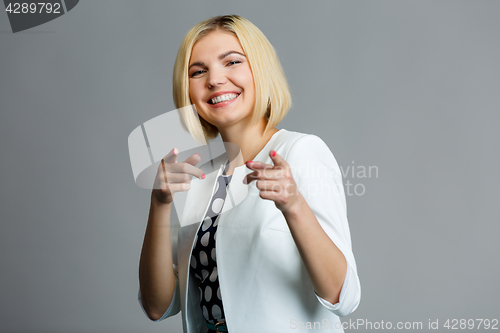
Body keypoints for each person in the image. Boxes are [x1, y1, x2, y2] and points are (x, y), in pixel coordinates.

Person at [138, 15, 361, 333]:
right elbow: (157, 306)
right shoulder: (198, 181)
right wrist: (159, 205)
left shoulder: (300, 152)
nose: (214, 79)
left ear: (260, 70)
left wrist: (294, 206)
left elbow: (345, 296)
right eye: (198, 71)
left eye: (231, 62)